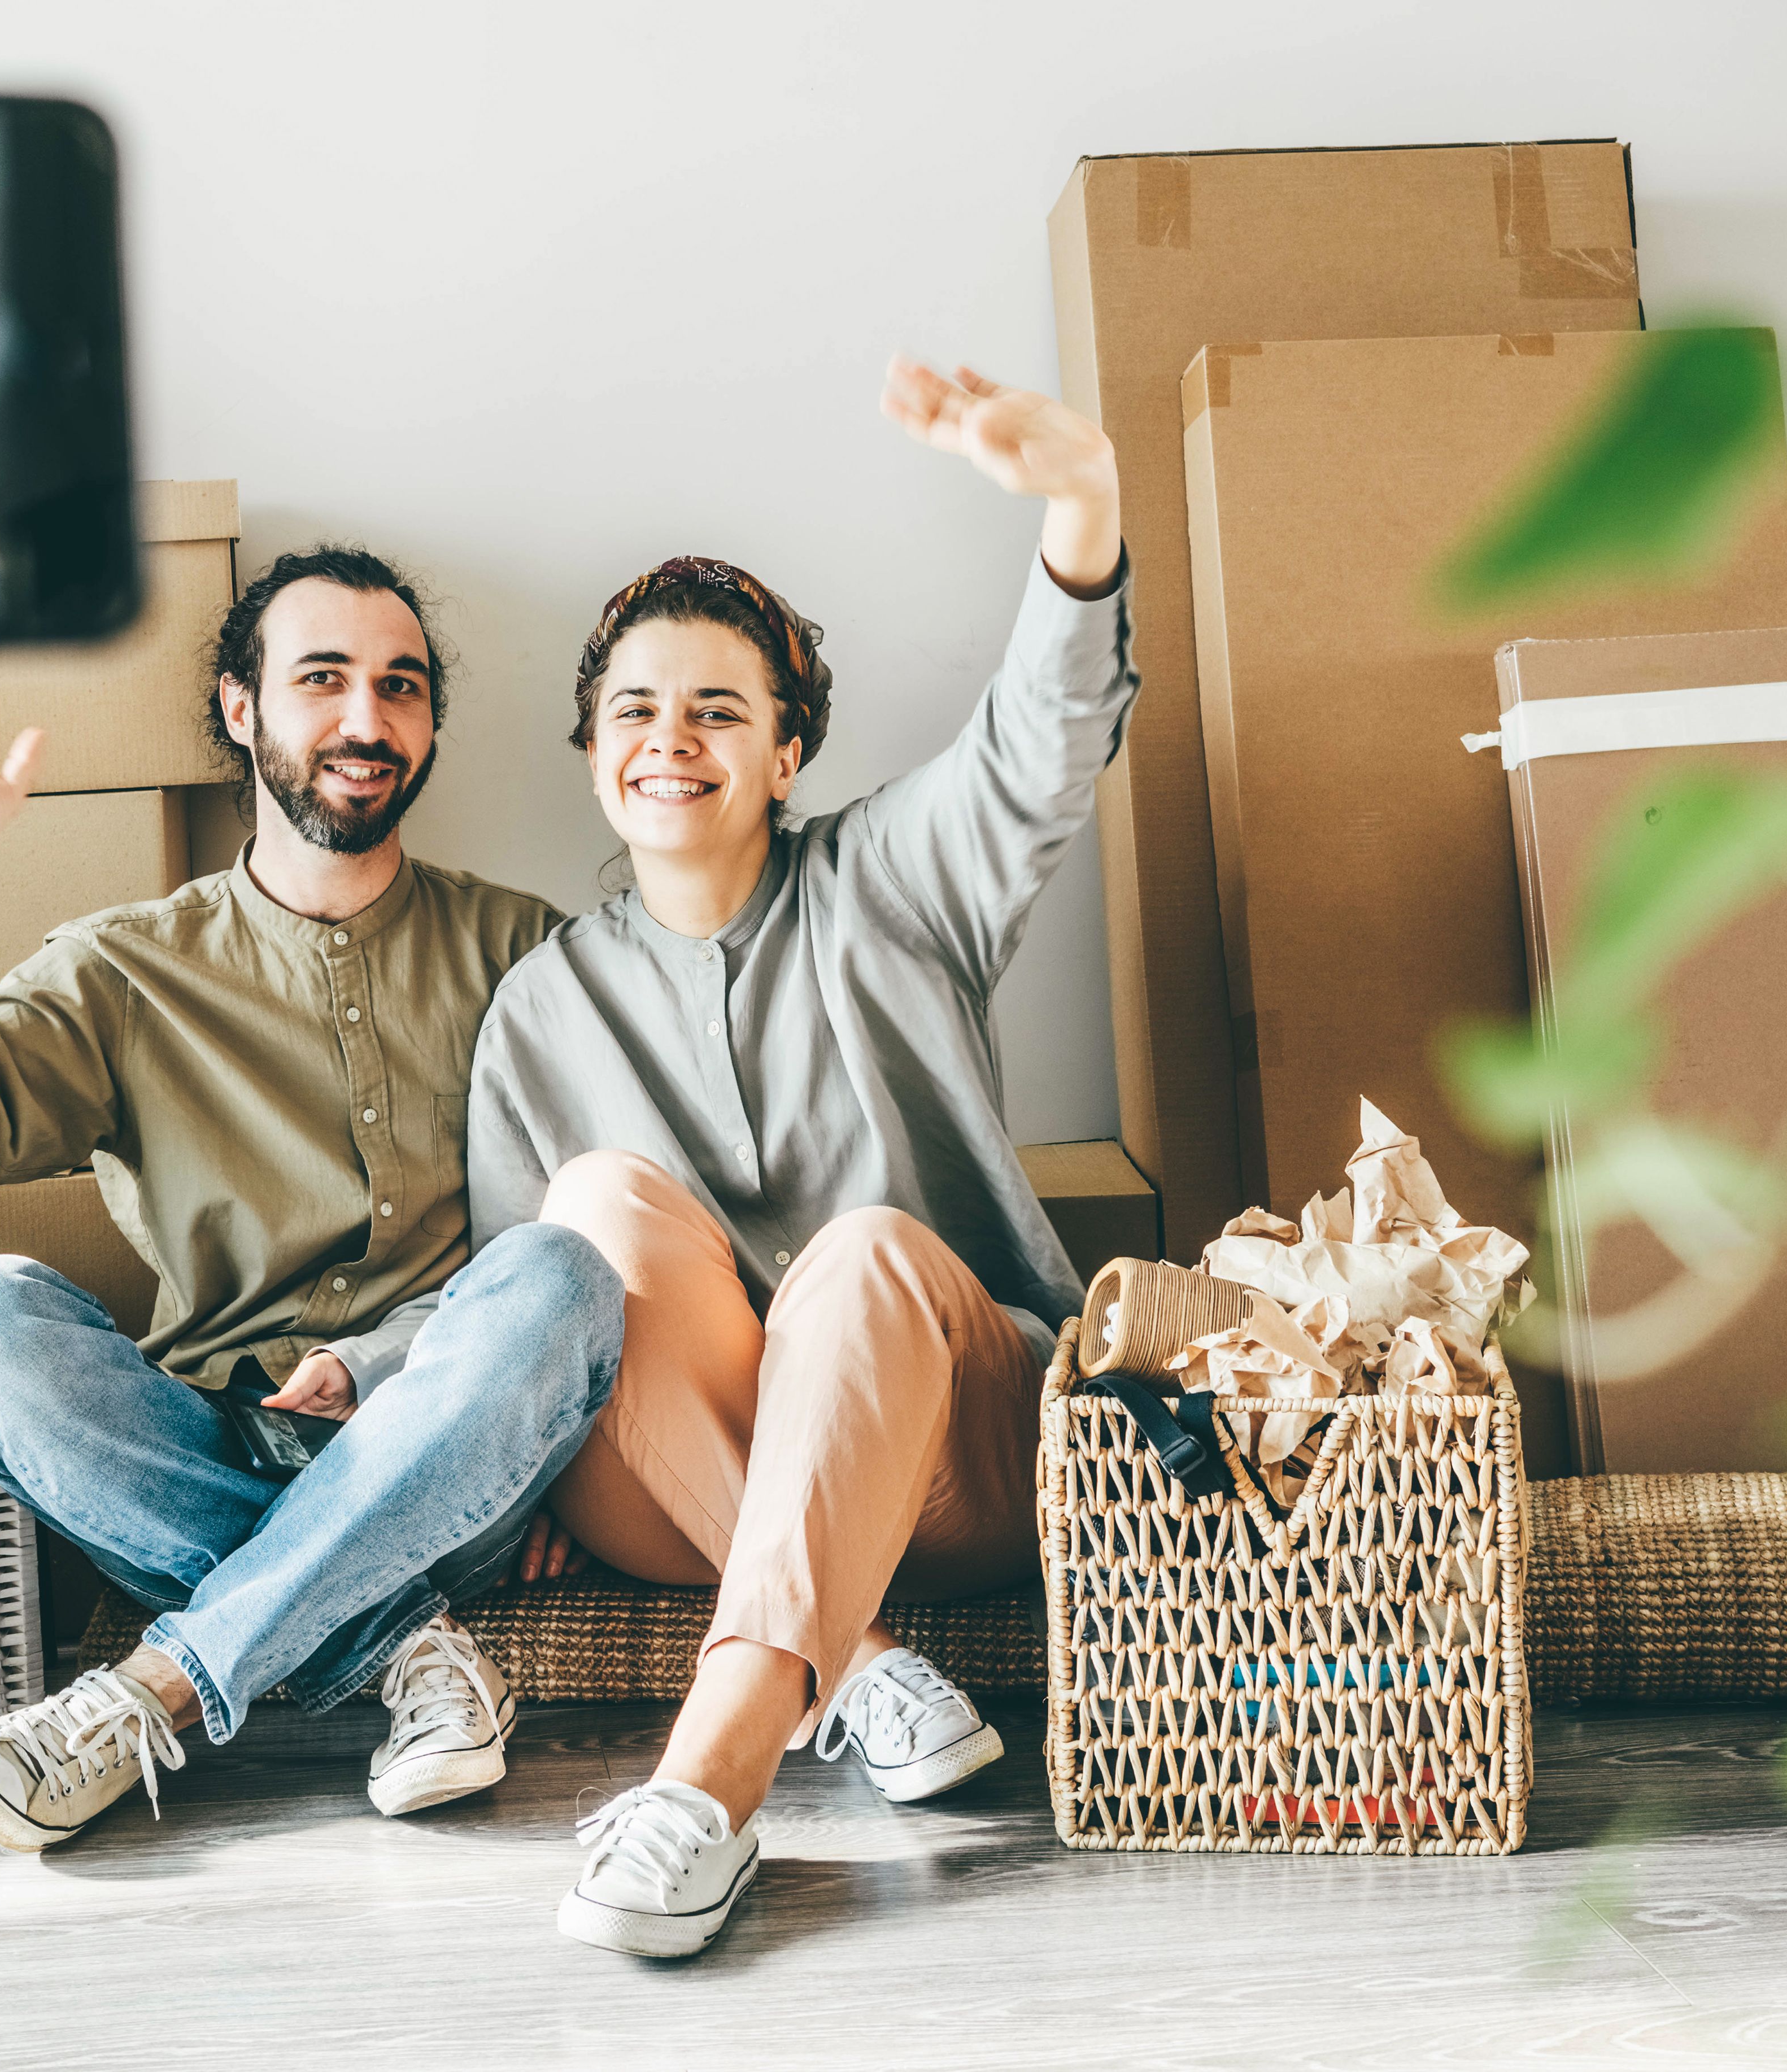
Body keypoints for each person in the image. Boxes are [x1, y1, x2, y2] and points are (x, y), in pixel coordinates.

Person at [462, 357, 1135, 1957]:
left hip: (946, 1461)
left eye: (717, 708)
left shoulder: (895, 881)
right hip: (674, 1474)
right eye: (634, 707)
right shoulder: (538, 1008)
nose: (668, 738)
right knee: (592, 1212)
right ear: (589, 753)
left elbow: (1036, 748)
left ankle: (706, 1784)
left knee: (864, 1252)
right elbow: (521, 1319)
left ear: (784, 754)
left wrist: (1081, 511)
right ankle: (869, 1654)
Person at [0, 548, 621, 1855]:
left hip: (453, 1454)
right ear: (241, 709)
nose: (366, 720)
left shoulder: (525, 951)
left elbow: (602, 1241)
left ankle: (149, 1692)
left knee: (563, 1275)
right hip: (197, 1445)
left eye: (399, 687)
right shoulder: (126, 970)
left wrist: (378, 1365)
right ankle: (398, 1641)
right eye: (322, 679)